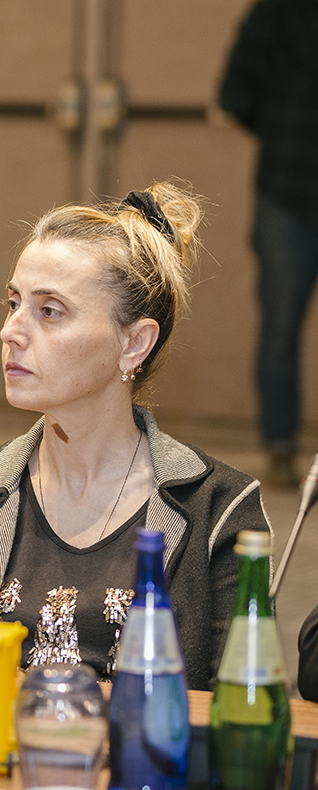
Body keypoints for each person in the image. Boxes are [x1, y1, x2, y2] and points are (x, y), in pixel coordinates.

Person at [0, 184, 271, 690]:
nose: (10, 331)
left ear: (134, 343)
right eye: (13, 303)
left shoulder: (219, 509)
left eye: (50, 311)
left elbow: (239, 704)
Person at [219, 0, 318, 486]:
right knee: (280, 326)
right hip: (287, 188)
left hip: (285, 184)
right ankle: (279, 446)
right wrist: (287, 128)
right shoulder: (279, 11)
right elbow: (235, 94)